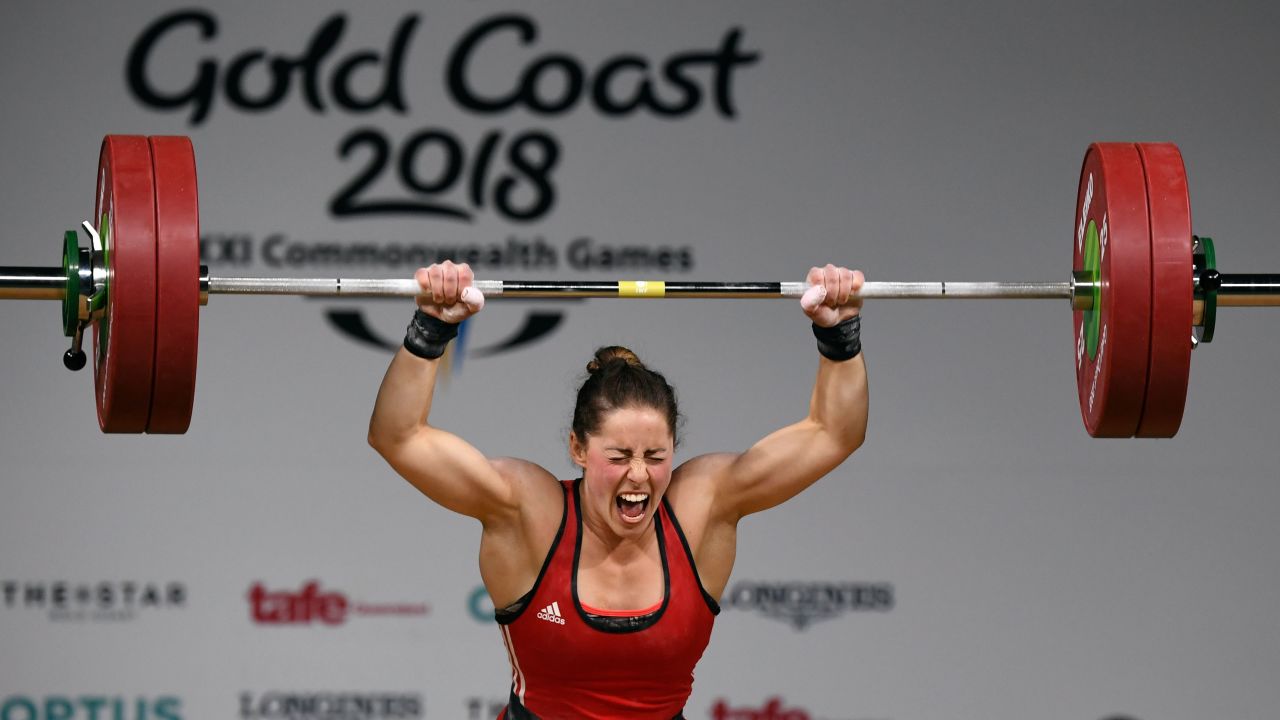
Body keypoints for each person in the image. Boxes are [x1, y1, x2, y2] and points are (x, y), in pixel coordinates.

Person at [368, 261, 868, 720]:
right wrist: (431, 330)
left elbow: (833, 433)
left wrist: (838, 333)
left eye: (655, 457)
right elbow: (397, 436)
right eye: (619, 457)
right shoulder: (527, 511)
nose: (638, 476)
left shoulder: (703, 506)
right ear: (578, 449)